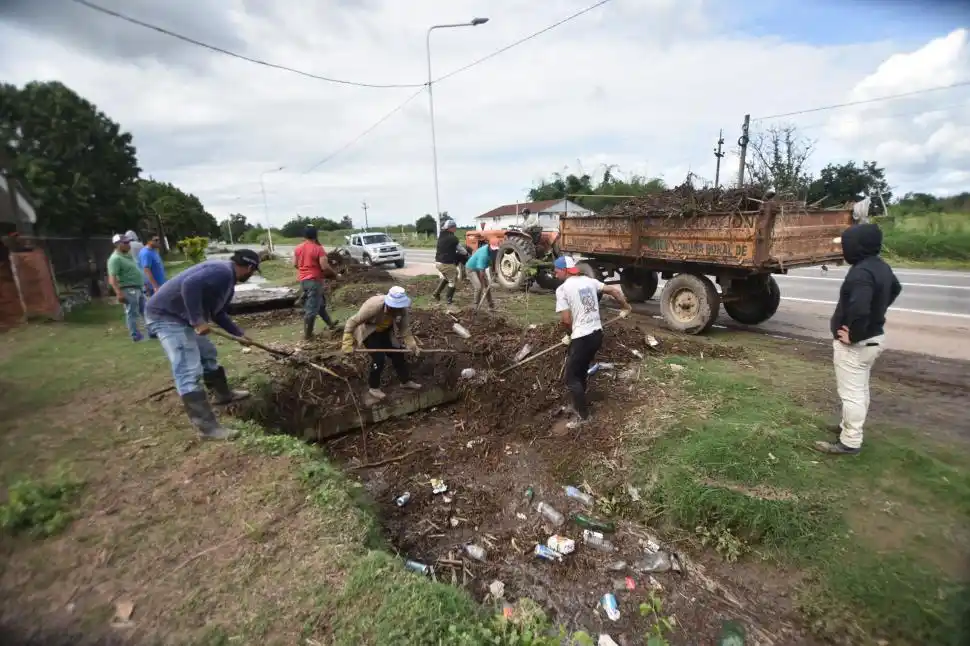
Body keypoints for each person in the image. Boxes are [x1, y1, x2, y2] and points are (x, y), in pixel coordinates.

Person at [145, 250, 260, 440]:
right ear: (249, 267)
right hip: (166, 316)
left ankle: (223, 394)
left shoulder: (228, 281)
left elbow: (218, 313)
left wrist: (239, 334)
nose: (252, 274)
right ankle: (208, 429)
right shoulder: (222, 271)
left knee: (208, 353)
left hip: (180, 318)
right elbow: (189, 285)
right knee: (188, 369)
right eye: (254, 271)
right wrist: (197, 320)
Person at [815, 223, 901, 456]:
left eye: (847, 245)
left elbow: (860, 307)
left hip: (858, 344)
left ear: (858, 246)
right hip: (874, 339)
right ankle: (848, 428)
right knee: (859, 389)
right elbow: (896, 288)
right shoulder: (880, 267)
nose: (844, 250)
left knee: (851, 393)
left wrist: (854, 334)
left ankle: (850, 442)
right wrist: (877, 313)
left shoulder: (861, 273)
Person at [554, 256, 631, 430]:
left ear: (565, 270)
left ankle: (583, 416)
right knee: (580, 372)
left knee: (571, 377)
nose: (554, 273)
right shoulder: (589, 281)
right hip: (597, 335)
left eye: (556, 270)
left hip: (581, 337)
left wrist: (569, 334)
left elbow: (566, 319)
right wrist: (626, 306)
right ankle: (579, 405)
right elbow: (615, 291)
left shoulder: (563, 289)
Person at [342, 286, 423, 403]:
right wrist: (347, 342)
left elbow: (404, 329)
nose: (397, 310)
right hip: (370, 332)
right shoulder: (373, 306)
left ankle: (405, 381)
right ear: (389, 303)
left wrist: (412, 345)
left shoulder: (402, 310)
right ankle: (373, 387)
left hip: (386, 331)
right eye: (394, 307)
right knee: (378, 359)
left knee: (398, 354)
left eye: (399, 307)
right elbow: (352, 321)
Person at [293, 225, 340, 340]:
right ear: (316, 235)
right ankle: (308, 335)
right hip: (314, 281)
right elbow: (324, 266)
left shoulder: (298, 248)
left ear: (304, 235)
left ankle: (330, 324)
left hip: (304, 281)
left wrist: (305, 268)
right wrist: (335, 274)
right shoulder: (318, 249)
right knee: (311, 310)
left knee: (320, 305)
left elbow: (295, 264)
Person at [107, 233, 148, 341]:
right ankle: (135, 335)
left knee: (145, 310)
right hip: (128, 289)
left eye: (128, 242)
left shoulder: (127, 255)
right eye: (125, 243)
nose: (128, 244)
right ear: (118, 244)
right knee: (132, 313)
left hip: (138, 288)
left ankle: (151, 331)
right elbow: (112, 278)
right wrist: (118, 293)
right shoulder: (115, 259)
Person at [432, 219, 468, 305]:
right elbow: (461, 250)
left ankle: (436, 294)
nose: (455, 229)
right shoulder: (452, 238)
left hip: (438, 262)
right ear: (451, 228)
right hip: (446, 263)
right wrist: (467, 253)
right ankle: (449, 299)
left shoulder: (441, 236)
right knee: (453, 280)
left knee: (446, 278)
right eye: (454, 227)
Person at [465, 240, 498, 311]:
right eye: (493, 249)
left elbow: (494, 261)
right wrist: (483, 284)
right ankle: (476, 307)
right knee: (479, 287)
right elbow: (482, 273)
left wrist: (495, 270)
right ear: (489, 246)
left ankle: (491, 306)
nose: (494, 251)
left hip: (479, 269)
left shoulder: (495, 251)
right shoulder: (484, 255)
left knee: (487, 287)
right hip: (471, 269)